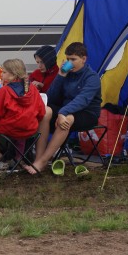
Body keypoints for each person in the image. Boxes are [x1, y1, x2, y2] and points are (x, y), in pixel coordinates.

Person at [32, 42, 102, 173]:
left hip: (87, 113)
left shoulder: (92, 77)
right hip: (65, 110)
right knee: (45, 111)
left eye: (73, 59)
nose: (70, 62)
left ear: (84, 59)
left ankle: (43, 162)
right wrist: (60, 76)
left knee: (67, 119)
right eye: (68, 59)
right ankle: (38, 157)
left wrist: (62, 112)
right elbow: (50, 98)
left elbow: (82, 100)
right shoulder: (67, 74)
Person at [0, 59, 50, 174]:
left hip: (10, 129)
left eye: (4, 72)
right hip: (30, 129)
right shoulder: (33, 89)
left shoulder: (5, 91)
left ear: (13, 75)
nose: (1, 75)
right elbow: (41, 112)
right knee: (23, 122)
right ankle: (19, 158)